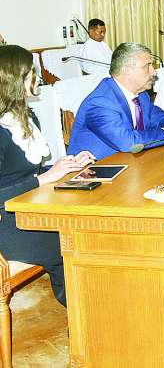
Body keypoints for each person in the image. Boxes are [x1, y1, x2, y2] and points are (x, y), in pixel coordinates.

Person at [0, 45, 96, 306]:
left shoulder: (26, 117)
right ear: (13, 81)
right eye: (30, 73)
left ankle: (91, 309)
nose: (37, 77)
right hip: (6, 224)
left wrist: (68, 166)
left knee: (84, 226)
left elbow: (26, 171)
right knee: (70, 241)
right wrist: (45, 178)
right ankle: (83, 314)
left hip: (26, 209)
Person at [68, 43, 164, 160]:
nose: (154, 71)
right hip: (93, 168)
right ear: (126, 70)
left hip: (129, 160)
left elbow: (158, 117)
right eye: (147, 66)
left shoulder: (141, 95)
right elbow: (128, 142)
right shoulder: (101, 102)